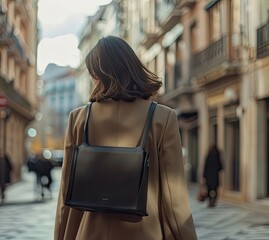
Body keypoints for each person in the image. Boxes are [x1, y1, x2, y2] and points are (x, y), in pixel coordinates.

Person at [54, 36, 197, 240]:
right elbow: (175, 198)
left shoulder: (78, 119)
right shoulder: (162, 117)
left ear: (97, 74)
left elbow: (66, 197)